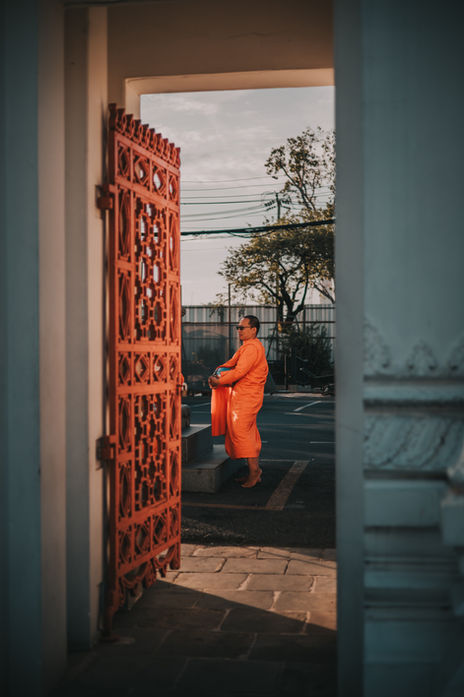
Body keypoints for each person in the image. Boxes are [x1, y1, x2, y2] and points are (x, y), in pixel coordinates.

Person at [208, 315, 268, 488]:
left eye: (242, 328)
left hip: (247, 397)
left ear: (253, 330)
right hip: (243, 396)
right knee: (248, 432)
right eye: (238, 327)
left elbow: (239, 371)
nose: (239, 331)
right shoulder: (248, 347)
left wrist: (219, 381)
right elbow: (232, 366)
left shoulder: (251, 348)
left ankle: (254, 472)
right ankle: (254, 471)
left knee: (241, 431)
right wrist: (218, 374)